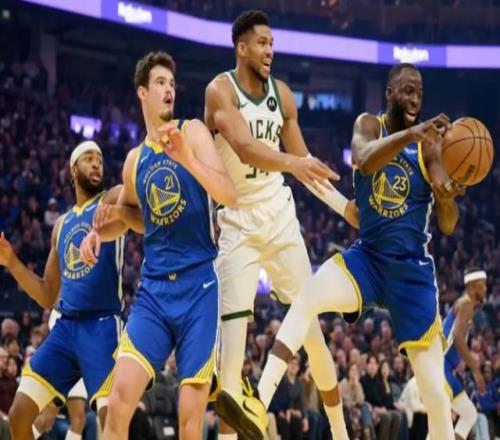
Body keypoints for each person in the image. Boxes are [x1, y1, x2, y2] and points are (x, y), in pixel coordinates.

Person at [219, 62, 467, 440]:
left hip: (411, 273)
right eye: (407, 90)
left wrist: (447, 198)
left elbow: (448, 224)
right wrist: (411, 133)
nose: (415, 98)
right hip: (368, 258)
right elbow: (363, 158)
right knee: (308, 294)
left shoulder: (430, 147)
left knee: (435, 396)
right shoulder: (368, 125)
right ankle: (259, 403)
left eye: (419, 91)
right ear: (389, 94)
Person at [204, 10, 357, 440]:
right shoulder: (220, 91)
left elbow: (308, 170)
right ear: (242, 48)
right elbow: (245, 147)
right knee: (231, 355)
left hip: (280, 219)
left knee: (312, 335)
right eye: (262, 43)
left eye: (272, 43)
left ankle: (340, 432)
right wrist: (295, 163)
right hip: (236, 224)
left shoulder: (283, 96)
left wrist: (346, 209)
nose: (270, 50)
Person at [80, 51, 236, 439]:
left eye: (172, 84)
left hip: (198, 286)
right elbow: (130, 219)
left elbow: (228, 194)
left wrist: (187, 159)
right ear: (142, 93)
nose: (169, 90)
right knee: (117, 404)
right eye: (160, 83)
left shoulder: (193, 131)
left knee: (189, 421)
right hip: (154, 292)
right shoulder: (135, 161)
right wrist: (98, 233)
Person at [0, 140, 141, 439]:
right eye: (88, 158)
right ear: (73, 170)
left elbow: (137, 197)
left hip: (102, 326)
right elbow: (47, 295)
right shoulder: (61, 225)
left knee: (112, 423)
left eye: (99, 159)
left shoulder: (111, 198)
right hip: (65, 328)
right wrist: (12, 262)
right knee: (19, 415)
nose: (96, 163)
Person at [442, 267, 488, 440]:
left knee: (466, 414)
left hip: (443, 366)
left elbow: (449, 339)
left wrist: (458, 362)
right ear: (473, 286)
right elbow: (457, 337)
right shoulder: (466, 304)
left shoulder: (464, 305)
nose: (485, 289)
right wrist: (475, 371)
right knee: (447, 419)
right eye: (483, 285)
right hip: (439, 366)